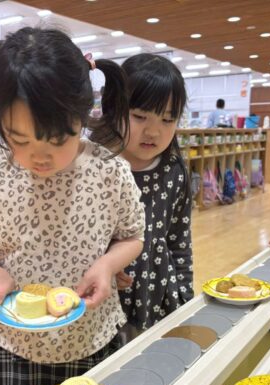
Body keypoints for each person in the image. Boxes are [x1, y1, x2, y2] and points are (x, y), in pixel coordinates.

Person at [0, 27, 145, 385]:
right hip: (16, 348)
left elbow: (132, 236)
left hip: (91, 339)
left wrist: (107, 265)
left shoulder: (108, 171)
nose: (38, 156)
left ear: (83, 115)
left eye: (57, 140)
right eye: (18, 139)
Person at [107, 53, 193, 337]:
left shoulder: (174, 171)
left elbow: (179, 242)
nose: (153, 131)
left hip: (157, 297)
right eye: (140, 116)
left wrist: (186, 298)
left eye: (168, 119)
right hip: (102, 301)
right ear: (114, 108)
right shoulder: (97, 167)